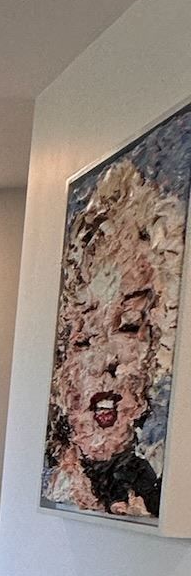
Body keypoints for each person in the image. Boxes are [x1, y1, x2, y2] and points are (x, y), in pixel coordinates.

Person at [43, 150, 185, 519]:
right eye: (86, 337)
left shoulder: (148, 486)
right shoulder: (56, 476)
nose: (108, 361)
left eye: (130, 325)